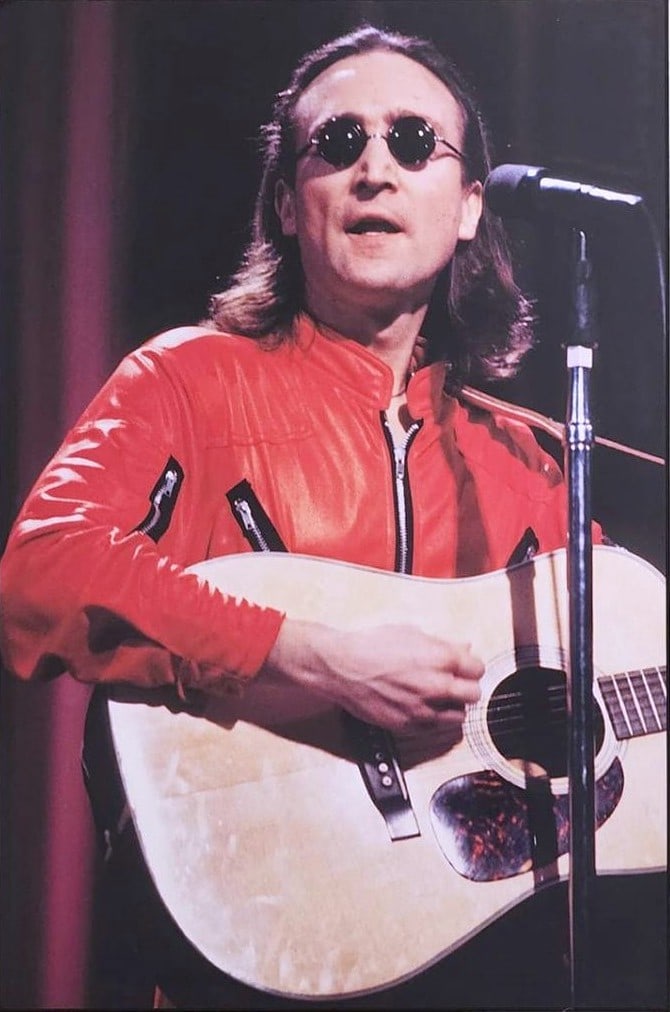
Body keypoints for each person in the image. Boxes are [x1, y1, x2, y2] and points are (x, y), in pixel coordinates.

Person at [0, 21, 633, 1012]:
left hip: (481, 964)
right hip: (252, 948)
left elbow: (624, 693)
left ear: (470, 206)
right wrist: (306, 655)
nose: (376, 167)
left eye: (415, 142)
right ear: (291, 205)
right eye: (339, 144)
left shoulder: (533, 461)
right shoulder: (186, 380)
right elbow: (47, 572)